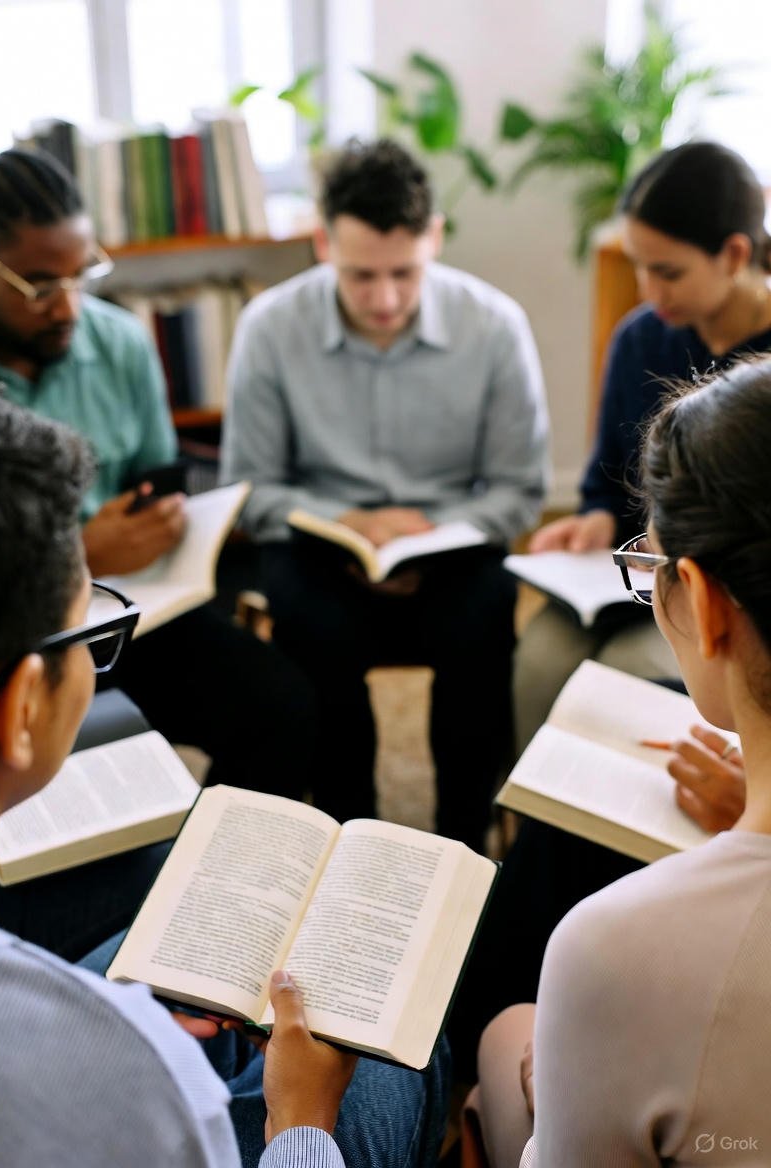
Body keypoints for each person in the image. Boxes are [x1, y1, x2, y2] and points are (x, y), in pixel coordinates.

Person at [0, 394, 449, 1168]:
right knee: (393, 1039)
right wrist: (301, 1122)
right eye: (91, 634)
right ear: (24, 702)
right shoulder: (131, 1074)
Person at [474, 354, 771, 1164]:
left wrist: (549, 1093)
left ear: (704, 604)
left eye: (653, 572)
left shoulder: (612, 951)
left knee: (507, 1032)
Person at [221, 138, 549, 851]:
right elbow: (246, 489)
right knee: (308, 628)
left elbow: (521, 490)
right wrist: (348, 522)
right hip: (320, 543)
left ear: (434, 237)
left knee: (487, 620)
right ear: (321, 243)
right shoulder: (270, 328)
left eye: (404, 272)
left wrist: (429, 530)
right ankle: (348, 838)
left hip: (451, 544)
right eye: (360, 275)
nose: (385, 298)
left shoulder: (494, 327)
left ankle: (465, 840)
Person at [0, 148, 316, 799]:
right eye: (40, 285)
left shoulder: (121, 344)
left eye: (82, 275)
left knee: (286, 710)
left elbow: (154, 485)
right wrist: (81, 555)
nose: (69, 307)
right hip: (13, 639)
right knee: (94, 777)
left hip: (134, 612)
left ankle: (208, 876)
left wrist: (166, 529)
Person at [514, 140, 771, 755]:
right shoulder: (639, 340)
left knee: (629, 683)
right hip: (627, 575)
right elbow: (605, 482)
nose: (648, 289)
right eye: (639, 265)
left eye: (668, 271)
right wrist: (594, 518)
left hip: (726, 599)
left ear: (735, 254)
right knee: (540, 663)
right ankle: (527, 825)